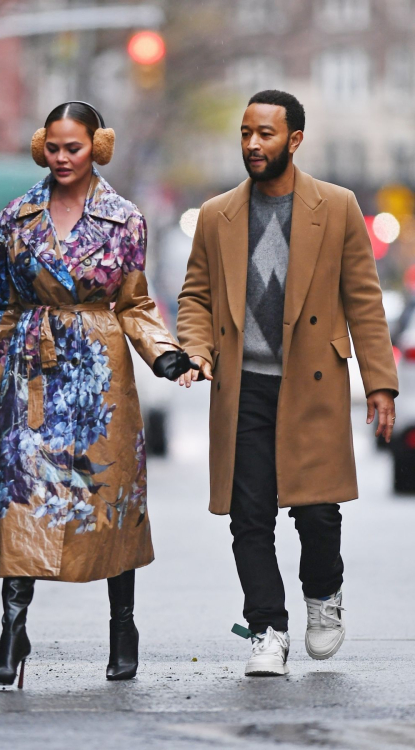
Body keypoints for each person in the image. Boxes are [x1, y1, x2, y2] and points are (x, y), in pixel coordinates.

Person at [0, 101, 196, 688]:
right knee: (24, 499)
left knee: (112, 502)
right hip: (33, 376)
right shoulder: (18, 215)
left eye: (75, 147)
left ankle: (124, 630)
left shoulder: (125, 218)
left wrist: (165, 355)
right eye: (54, 147)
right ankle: (12, 633)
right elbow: (1, 307)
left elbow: (136, 304)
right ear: (42, 145)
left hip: (101, 380)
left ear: (98, 146)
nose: (63, 158)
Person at [176, 90, 398, 676]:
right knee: (249, 516)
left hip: (312, 383)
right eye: (246, 132)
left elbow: (364, 301)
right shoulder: (217, 214)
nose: (253, 144)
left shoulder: (339, 205)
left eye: (266, 134)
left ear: (294, 140)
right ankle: (267, 629)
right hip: (243, 384)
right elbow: (196, 295)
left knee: (318, 513)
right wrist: (195, 349)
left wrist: (380, 382)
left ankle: (323, 596)